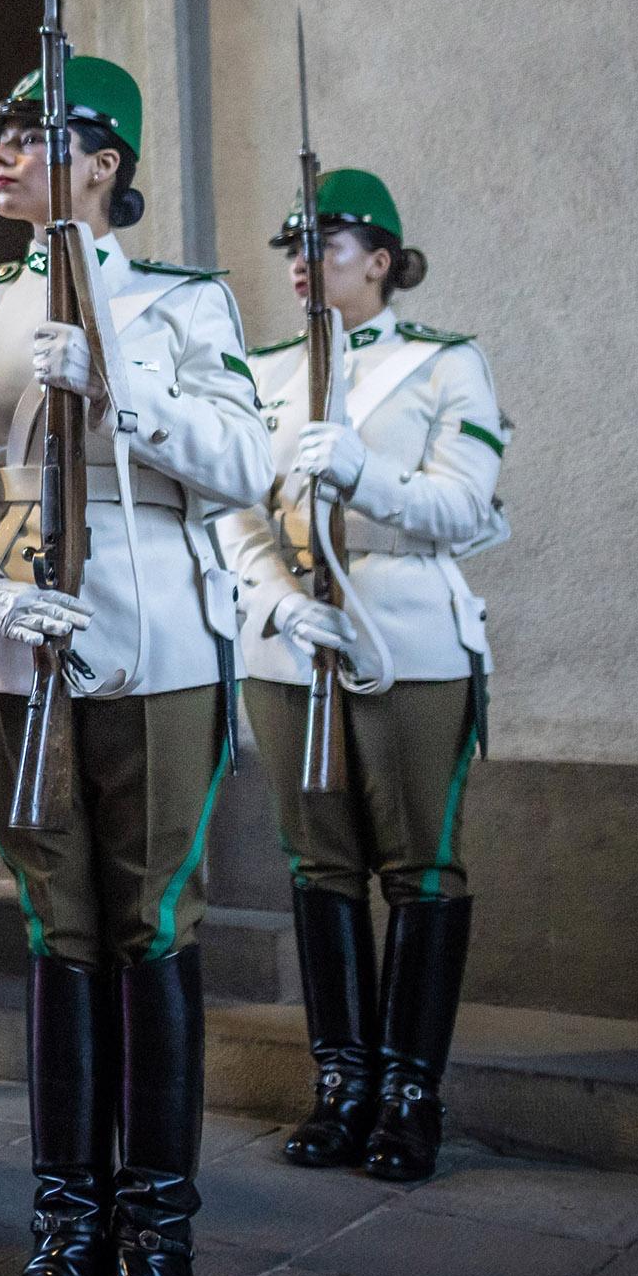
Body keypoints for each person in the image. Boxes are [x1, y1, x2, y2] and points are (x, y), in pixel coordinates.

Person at [0, 54, 268, 1276]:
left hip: (154, 639)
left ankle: (154, 1232)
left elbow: (244, 458)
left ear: (103, 163)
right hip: (10, 644)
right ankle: (66, 1218)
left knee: (146, 923)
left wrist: (122, 387)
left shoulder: (181, 301)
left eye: (30, 133)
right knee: (56, 924)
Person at [220, 169, 507, 1187]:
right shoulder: (262, 371)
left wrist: (362, 473)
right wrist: (272, 596)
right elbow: (230, 506)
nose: (303, 262)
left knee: (419, 867)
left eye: (326, 245)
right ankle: (342, 1081)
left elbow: (465, 505)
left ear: (380, 259)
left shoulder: (444, 364)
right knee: (319, 864)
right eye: (294, 247)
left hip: (406, 636)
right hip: (290, 640)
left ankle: (410, 1093)